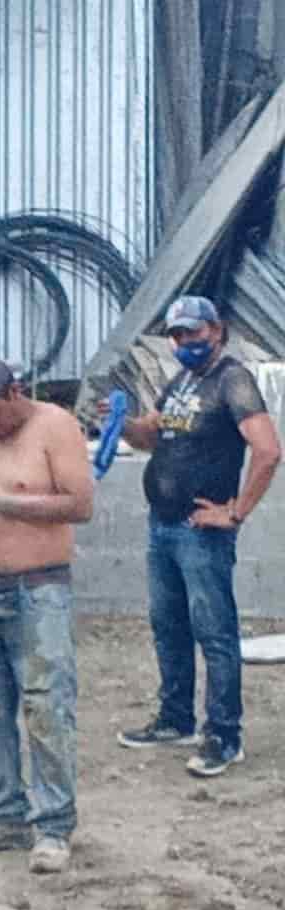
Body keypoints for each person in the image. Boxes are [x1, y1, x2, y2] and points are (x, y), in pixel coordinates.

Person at [112, 296, 281, 777]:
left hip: (200, 533)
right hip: (162, 525)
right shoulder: (181, 381)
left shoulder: (232, 380)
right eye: (177, 334)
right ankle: (176, 719)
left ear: (216, 330)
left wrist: (235, 512)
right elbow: (150, 437)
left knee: (215, 633)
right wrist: (121, 422)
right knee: (168, 625)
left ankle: (224, 736)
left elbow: (268, 451)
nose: (185, 341)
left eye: (193, 332)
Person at [0, 358, 93, 874]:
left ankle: (53, 825)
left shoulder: (55, 427)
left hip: (38, 588)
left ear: (14, 393)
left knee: (47, 705)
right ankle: (4, 812)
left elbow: (79, 504)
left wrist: (7, 505)